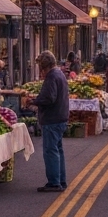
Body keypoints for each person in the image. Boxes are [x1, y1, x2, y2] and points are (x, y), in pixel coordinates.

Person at [27, 50, 69, 192]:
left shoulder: (52, 76)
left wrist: (34, 101)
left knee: (50, 150)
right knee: (57, 150)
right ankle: (60, 180)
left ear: (44, 66)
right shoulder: (59, 74)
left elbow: (49, 98)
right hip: (60, 117)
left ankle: (54, 182)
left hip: (52, 119)